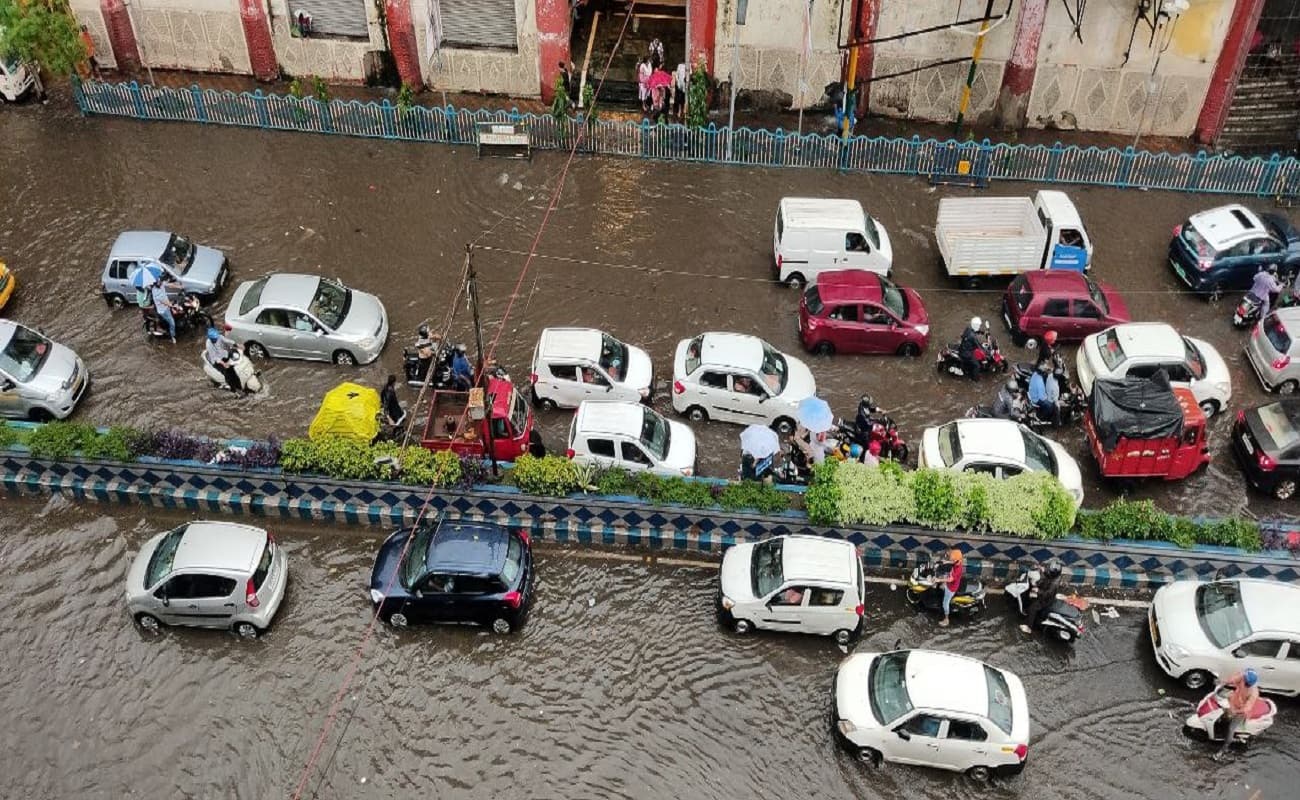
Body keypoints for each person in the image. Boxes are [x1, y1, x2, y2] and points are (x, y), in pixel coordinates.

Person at [1215, 668, 1261, 759]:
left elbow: (1246, 708)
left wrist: (1235, 711)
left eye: (1244, 678)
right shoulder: (1243, 678)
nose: (1242, 678)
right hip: (1232, 700)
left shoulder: (1253, 693)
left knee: (1231, 728)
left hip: (1239, 710)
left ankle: (1223, 750)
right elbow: (1232, 679)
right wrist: (1222, 682)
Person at [1019, 557, 1063, 634]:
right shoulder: (1054, 576)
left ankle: (1029, 627)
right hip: (1044, 590)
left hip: (1046, 600)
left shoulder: (1054, 584)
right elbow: (1048, 574)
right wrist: (1041, 568)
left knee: (1033, 608)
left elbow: (1047, 594)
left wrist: (1038, 591)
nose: (1048, 570)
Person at [204, 327, 244, 393]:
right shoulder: (209, 344)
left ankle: (240, 387)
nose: (216, 339)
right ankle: (234, 391)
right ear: (210, 338)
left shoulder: (219, 336)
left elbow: (227, 341)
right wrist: (223, 363)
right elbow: (215, 357)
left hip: (224, 355)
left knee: (234, 370)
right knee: (227, 373)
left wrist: (237, 345)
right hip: (217, 362)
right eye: (214, 338)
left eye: (216, 337)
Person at [939, 549, 964, 627]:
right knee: (942, 585)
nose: (951, 560)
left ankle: (946, 619)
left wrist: (938, 579)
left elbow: (950, 580)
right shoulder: (958, 562)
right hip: (950, 584)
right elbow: (953, 562)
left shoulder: (958, 569)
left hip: (951, 588)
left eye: (952, 560)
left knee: (945, 603)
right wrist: (946, 562)